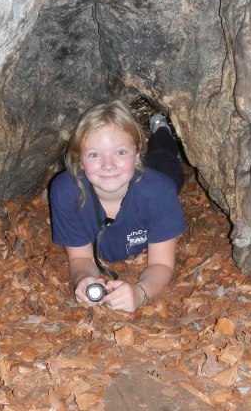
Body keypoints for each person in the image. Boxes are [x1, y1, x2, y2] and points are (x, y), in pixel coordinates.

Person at [49, 99, 185, 312]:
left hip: (154, 177)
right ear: (80, 160)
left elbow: (162, 264)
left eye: (120, 152)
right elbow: (81, 258)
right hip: (136, 178)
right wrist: (84, 280)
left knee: (164, 160)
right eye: (94, 154)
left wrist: (140, 293)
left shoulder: (159, 191)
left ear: (137, 152)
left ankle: (162, 132)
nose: (108, 165)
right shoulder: (66, 192)